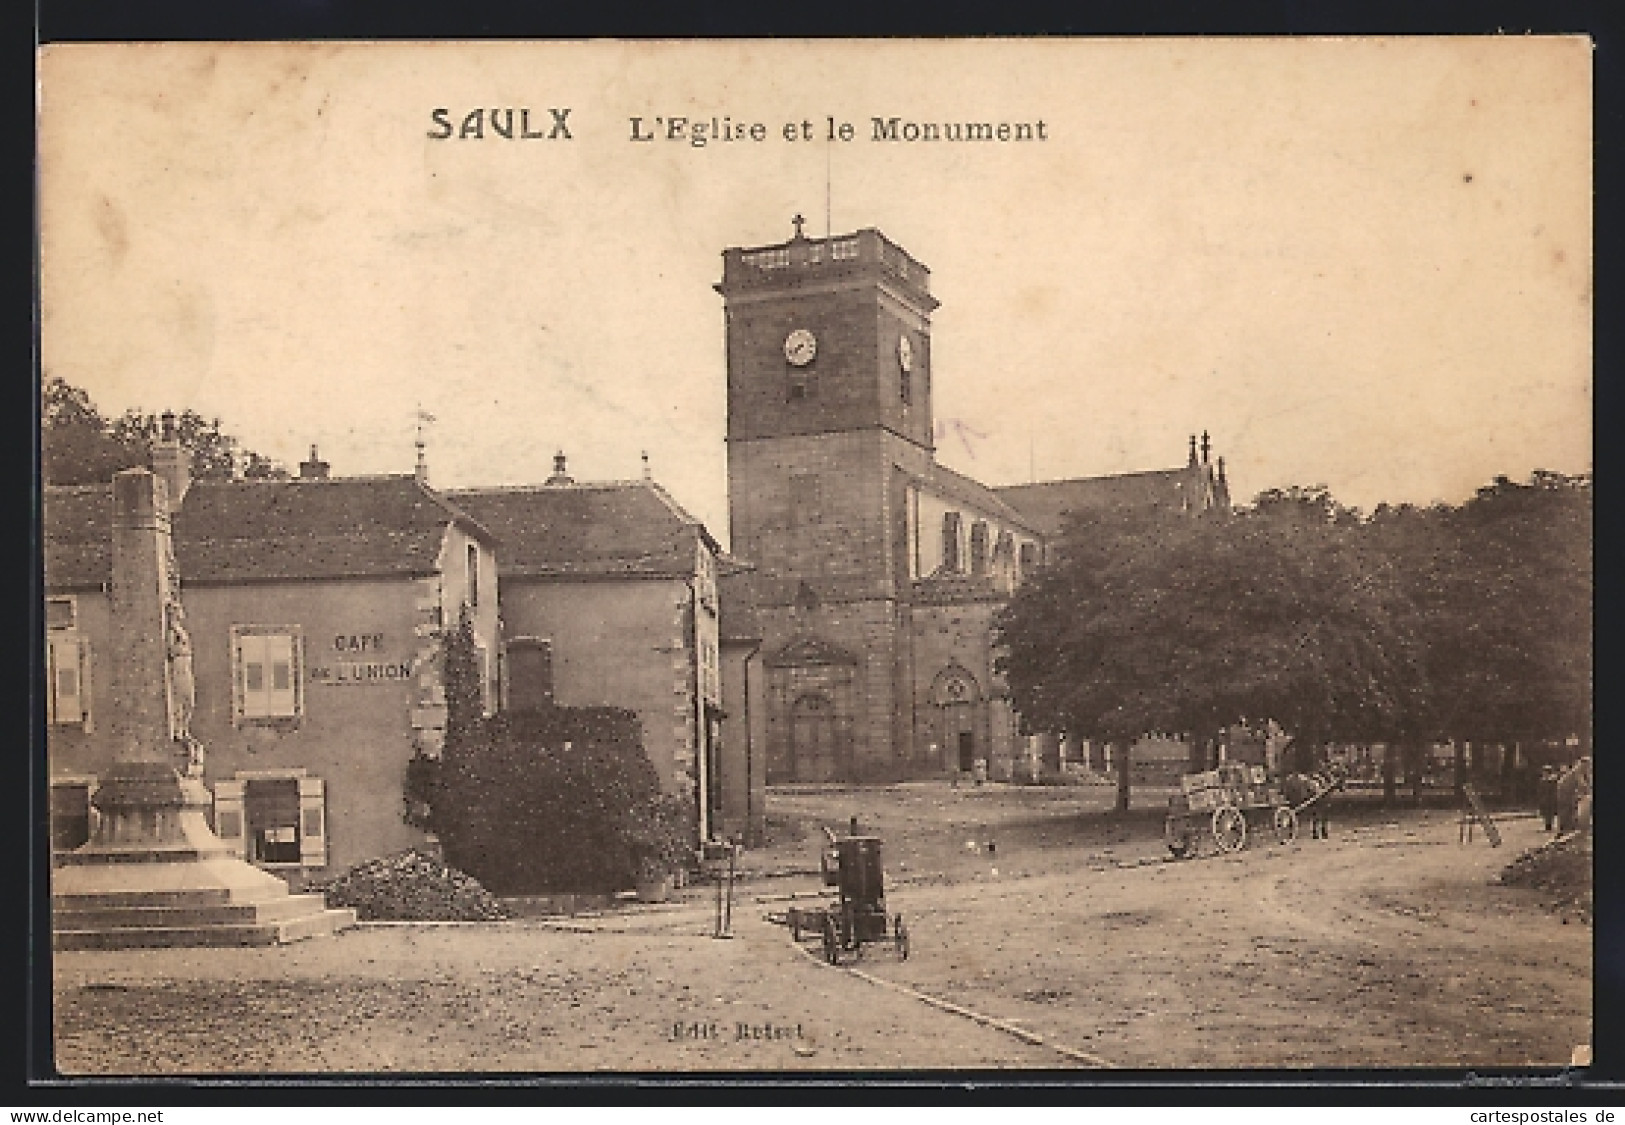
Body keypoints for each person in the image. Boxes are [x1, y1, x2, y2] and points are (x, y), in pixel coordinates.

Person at [1537, 765, 1561, 832]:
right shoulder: (1542, 780)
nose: (1544, 773)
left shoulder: (1552, 781)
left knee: (1549, 812)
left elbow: (1553, 790)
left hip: (1550, 798)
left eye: (1546, 772)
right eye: (1544, 772)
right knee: (1545, 812)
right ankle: (1547, 825)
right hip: (1544, 798)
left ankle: (1549, 825)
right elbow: (1540, 790)